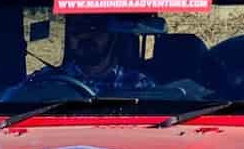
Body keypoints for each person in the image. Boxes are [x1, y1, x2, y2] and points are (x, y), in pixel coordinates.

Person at [18, 14, 157, 95]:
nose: (85, 36)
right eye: (77, 30)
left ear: (112, 36)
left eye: (94, 29)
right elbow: (8, 100)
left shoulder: (138, 84)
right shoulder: (47, 80)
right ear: (69, 36)